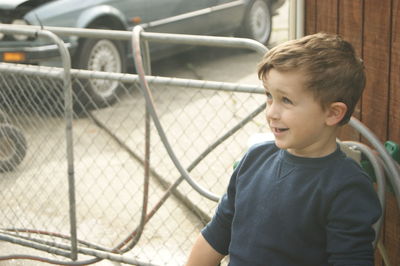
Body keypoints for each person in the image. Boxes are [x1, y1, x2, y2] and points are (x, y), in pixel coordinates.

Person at [185, 33, 382, 266]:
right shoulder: (255, 159)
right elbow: (215, 236)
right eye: (269, 96)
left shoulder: (346, 185)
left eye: (286, 100)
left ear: (332, 113)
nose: (271, 112)